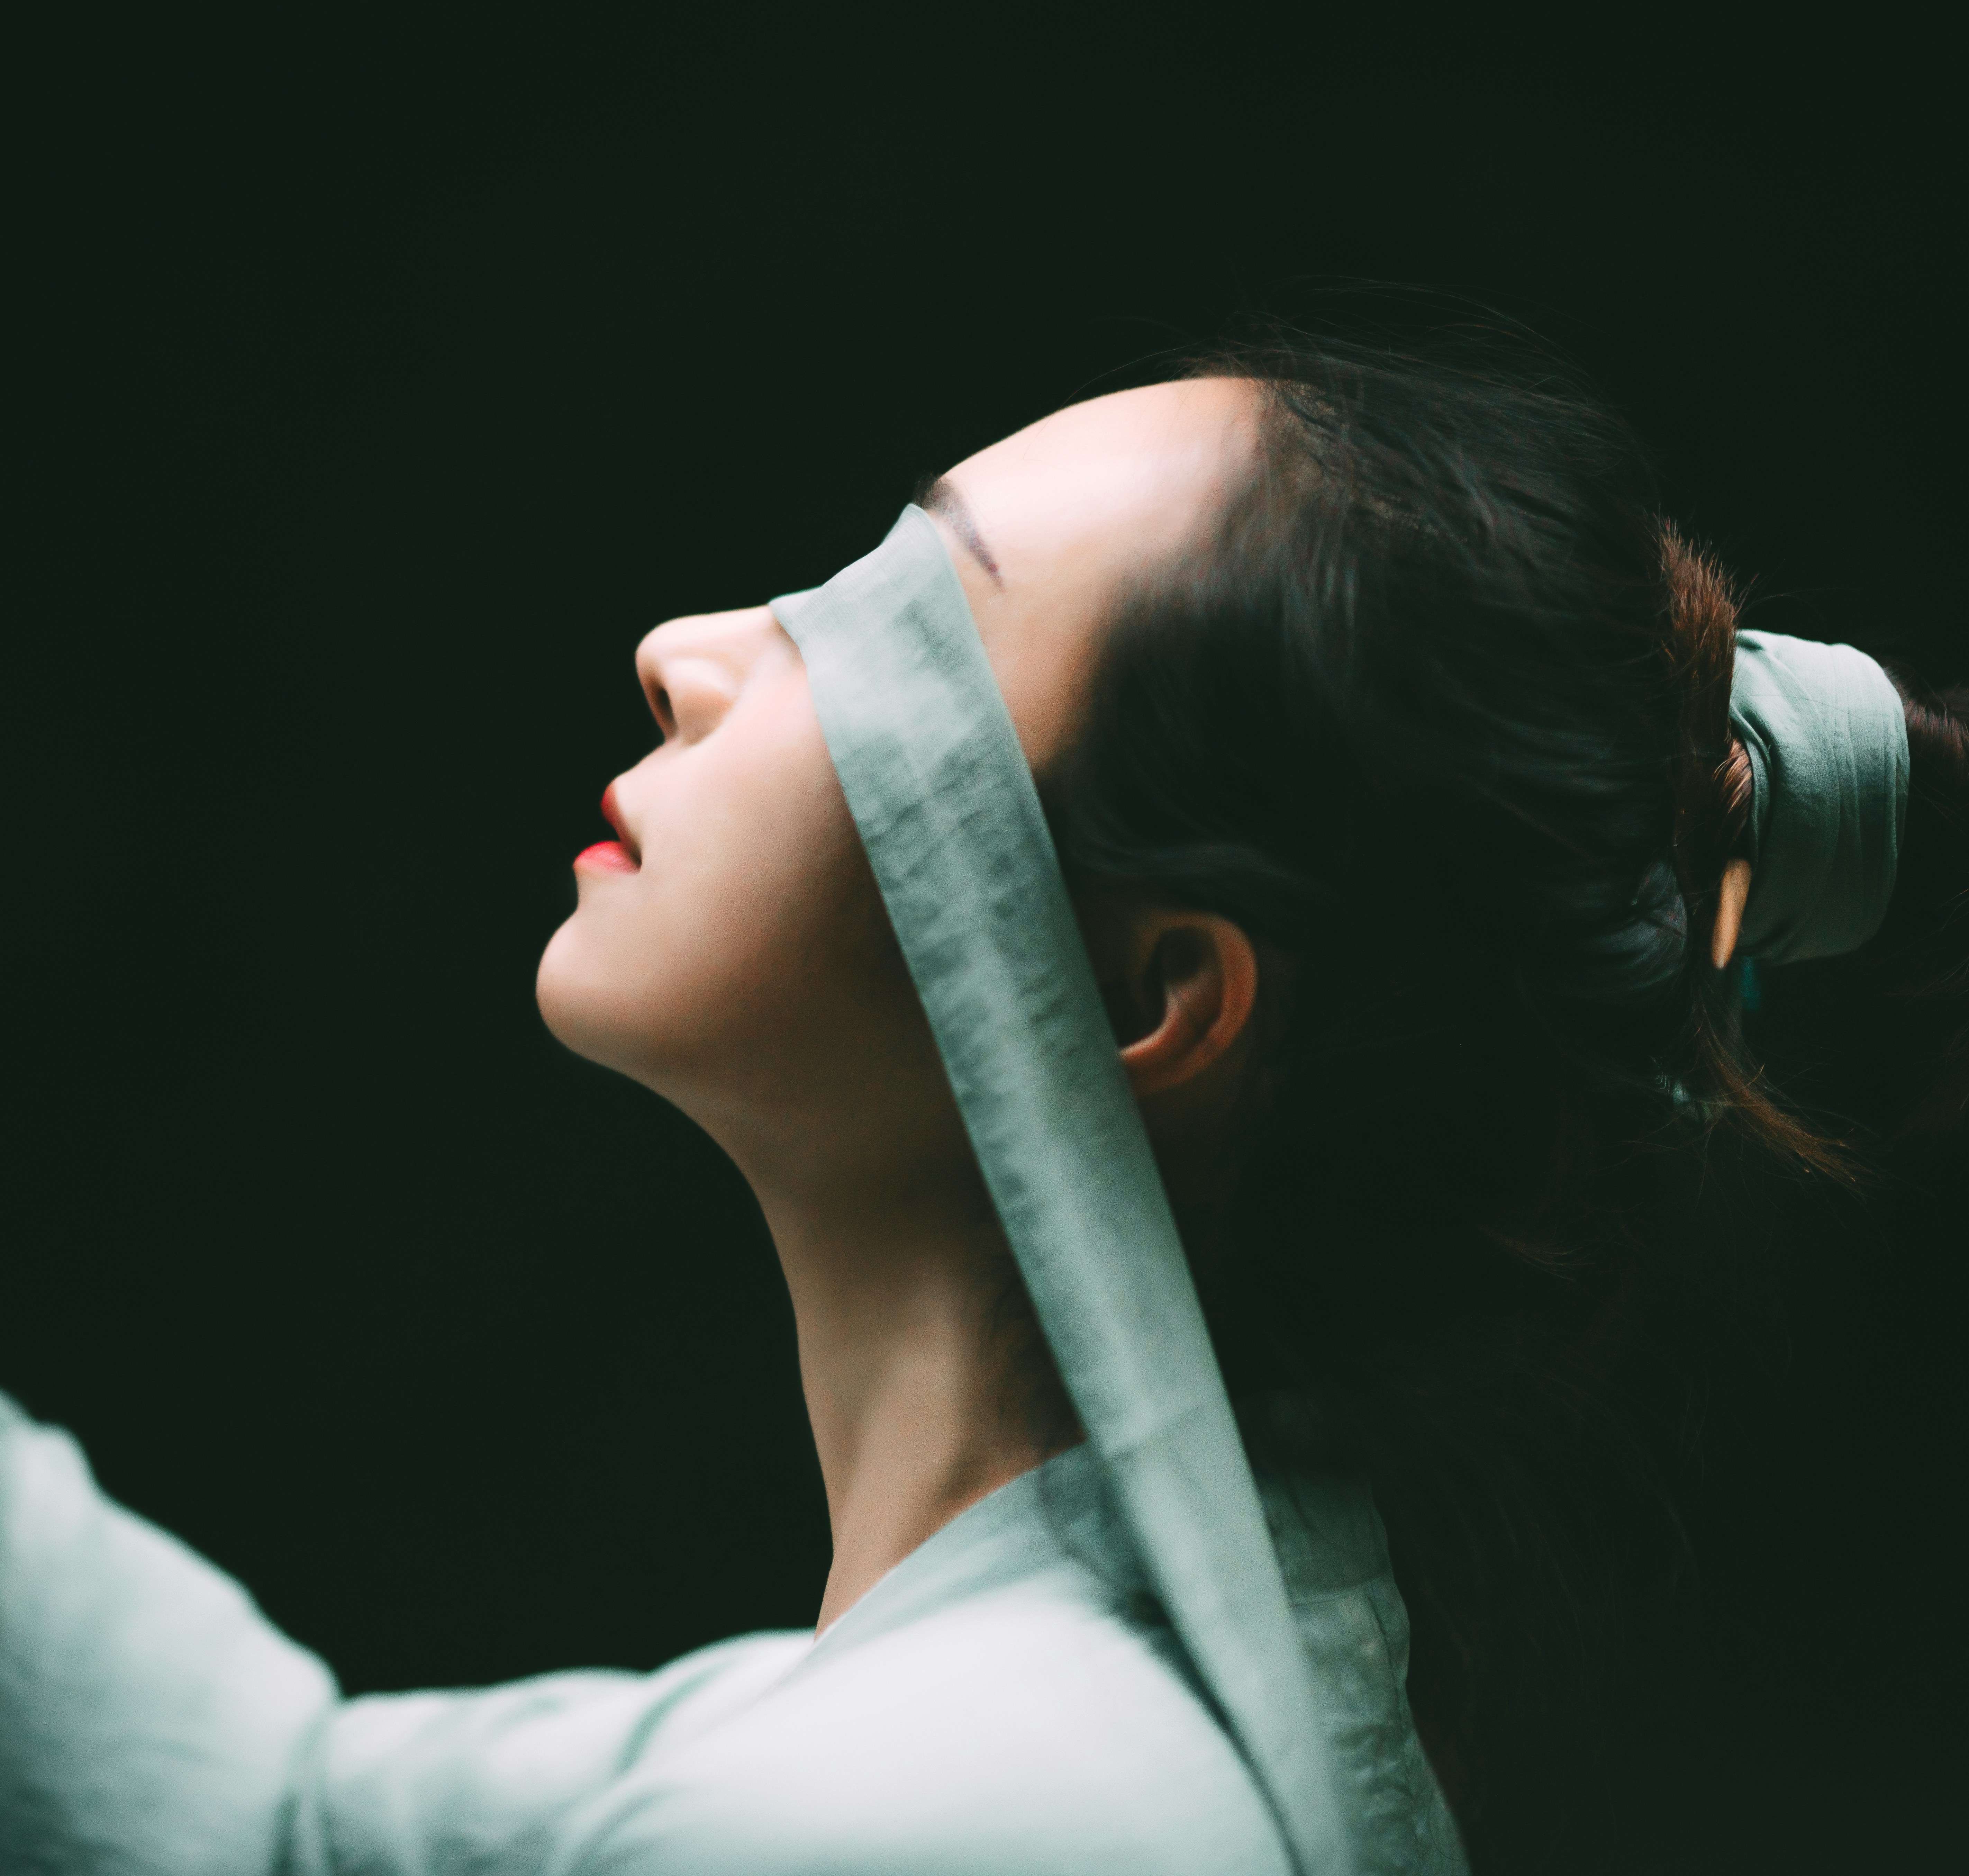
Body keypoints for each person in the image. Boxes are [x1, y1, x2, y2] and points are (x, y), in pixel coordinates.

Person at [2, 337, 1959, 1875]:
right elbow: (273, 1823)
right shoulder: (1020, 1737)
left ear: (1151, 996)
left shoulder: (927, 1827)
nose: (686, 655)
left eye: (896, 623)